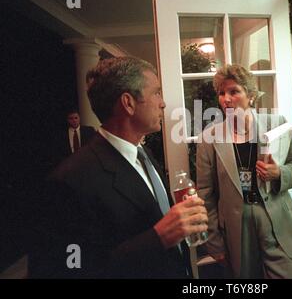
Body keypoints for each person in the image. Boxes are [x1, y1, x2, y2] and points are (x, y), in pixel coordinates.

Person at [28, 57, 208, 278]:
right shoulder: (69, 180)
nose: (163, 103)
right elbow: (63, 269)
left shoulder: (144, 154)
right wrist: (157, 238)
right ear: (128, 103)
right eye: (156, 93)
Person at [196, 64, 292, 278]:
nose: (226, 99)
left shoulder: (276, 123)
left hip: (277, 220)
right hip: (237, 228)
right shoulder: (209, 138)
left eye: (234, 91)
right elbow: (205, 195)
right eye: (221, 93)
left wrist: (279, 174)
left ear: (251, 96)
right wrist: (214, 243)